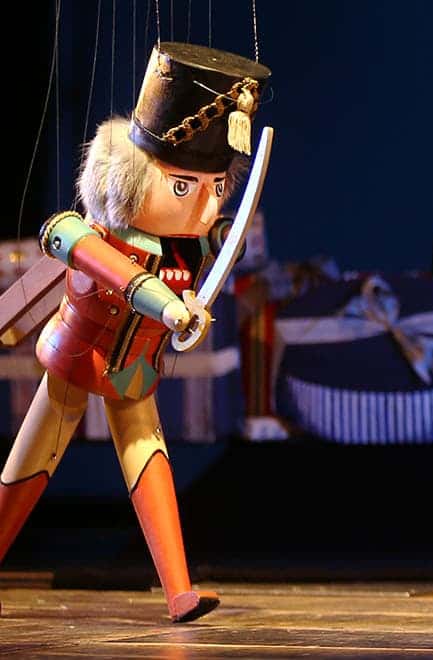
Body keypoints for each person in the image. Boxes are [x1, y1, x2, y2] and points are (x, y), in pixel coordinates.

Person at [0, 42, 270, 622]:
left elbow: (183, 288)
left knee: (149, 458)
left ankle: (179, 592)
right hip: (77, 359)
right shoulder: (82, 231)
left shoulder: (188, 247)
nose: (206, 209)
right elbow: (122, 278)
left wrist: (191, 306)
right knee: (33, 460)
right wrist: (171, 309)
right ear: (129, 178)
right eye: (184, 186)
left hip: (133, 371)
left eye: (215, 187)